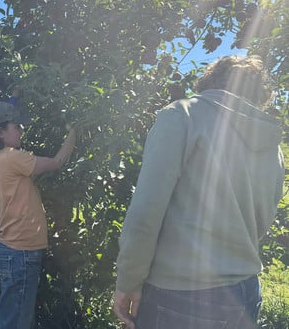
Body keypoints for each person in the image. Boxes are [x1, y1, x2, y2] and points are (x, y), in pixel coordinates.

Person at [113, 56, 285, 329]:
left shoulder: (183, 115)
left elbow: (146, 213)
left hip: (181, 294)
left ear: (208, 81)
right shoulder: (273, 147)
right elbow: (262, 222)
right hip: (246, 290)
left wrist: (128, 282)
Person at [0, 100, 77, 329]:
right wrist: (74, 132)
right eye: (17, 126)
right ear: (0, 132)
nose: (22, 130)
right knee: (17, 321)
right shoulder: (11, 157)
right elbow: (56, 162)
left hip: (10, 248)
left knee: (13, 316)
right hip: (20, 250)